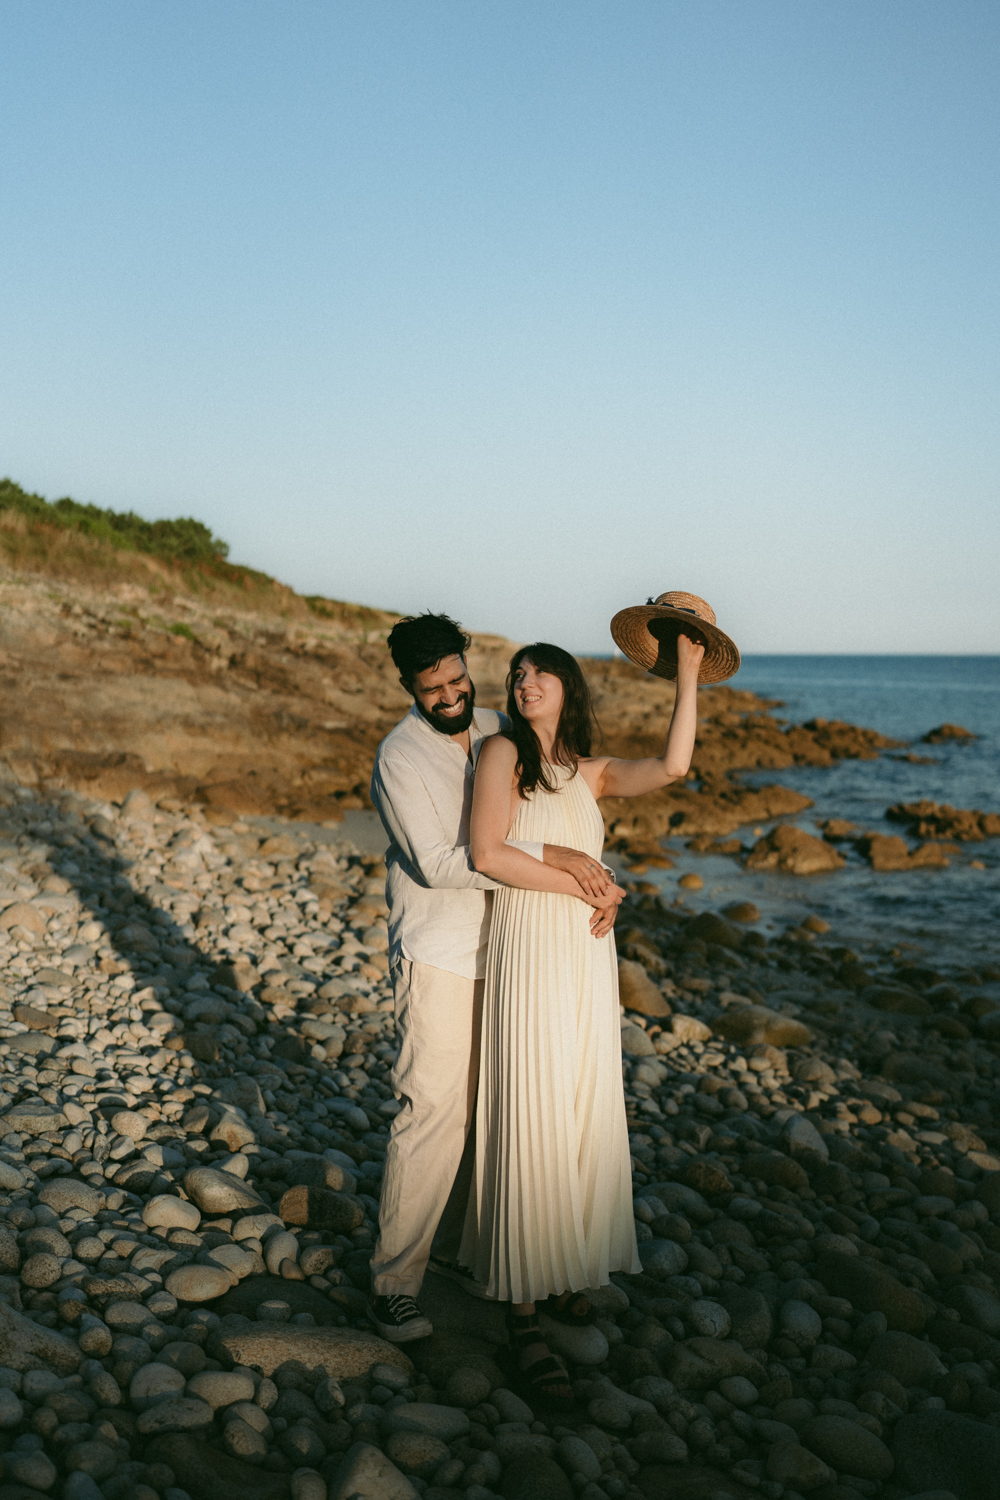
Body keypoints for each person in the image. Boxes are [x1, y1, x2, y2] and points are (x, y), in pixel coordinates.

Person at [367, 613, 624, 1343]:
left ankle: (466, 1253)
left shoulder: (494, 726)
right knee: (434, 1115)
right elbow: (445, 863)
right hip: (442, 953)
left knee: (503, 1113)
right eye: (432, 686)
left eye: (456, 677)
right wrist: (561, 862)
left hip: (518, 952)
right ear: (408, 685)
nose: (450, 693)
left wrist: (595, 875)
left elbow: (566, 793)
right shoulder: (399, 758)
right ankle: (393, 1285)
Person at [462, 631, 705, 1402]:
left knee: (576, 1105)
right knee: (530, 1102)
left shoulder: (590, 774)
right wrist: (581, 879)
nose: (526, 682)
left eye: (541, 673)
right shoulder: (502, 754)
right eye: (518, 674)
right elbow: (486, 854)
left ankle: (562, 1263)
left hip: (584, 955)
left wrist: (689, 672)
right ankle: (521, 1306)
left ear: (571, 689)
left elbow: (674, 767)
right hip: (531, 945)